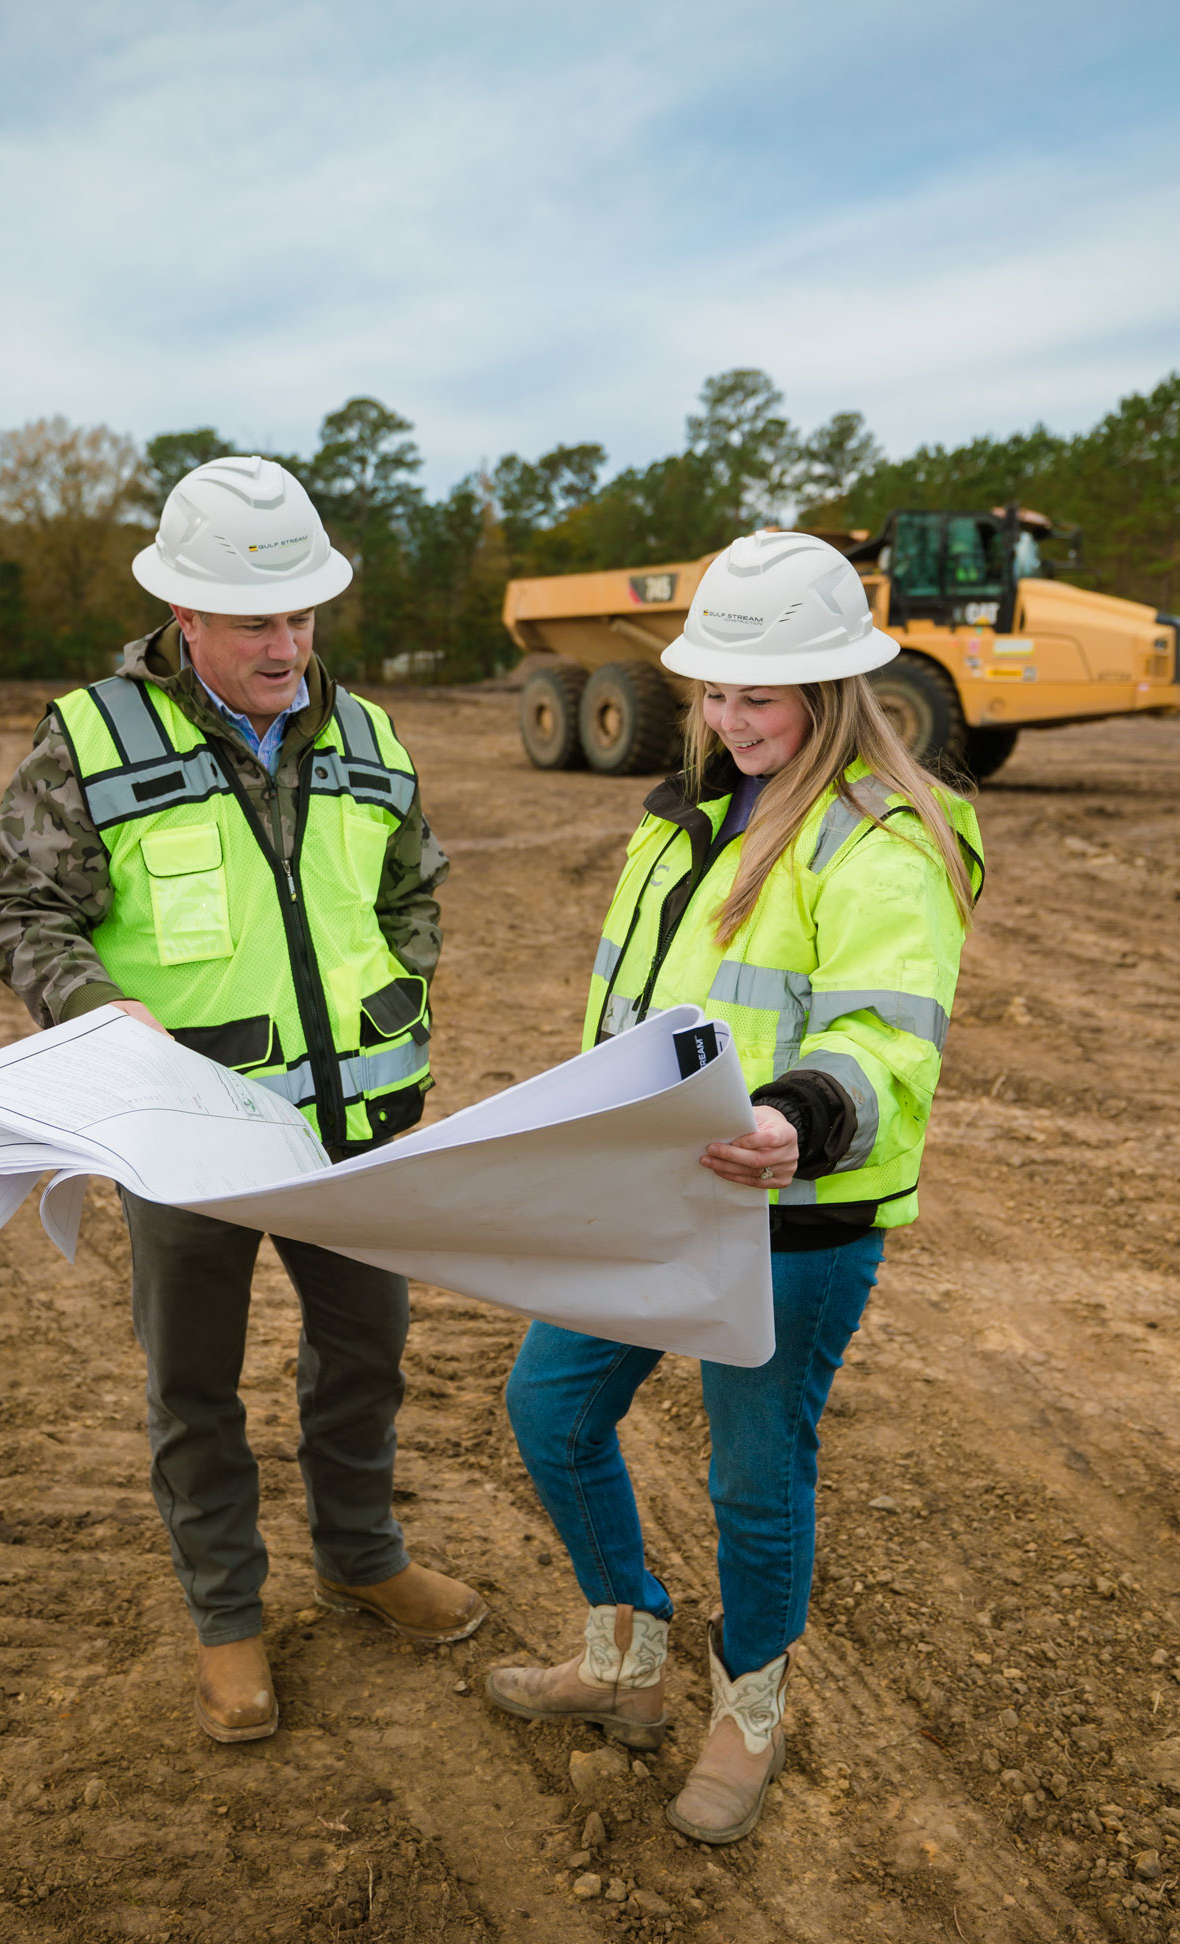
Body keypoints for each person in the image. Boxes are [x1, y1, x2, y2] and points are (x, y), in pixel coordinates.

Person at [0, 455, 485, 1745]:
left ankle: (361, 1556)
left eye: (304, 613)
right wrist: (98, 1014)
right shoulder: (88, 739)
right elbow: (21, 911)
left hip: (354, 1139)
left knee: (365, 1359)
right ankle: (227, 1621)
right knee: (194, 1386)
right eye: (257, 619)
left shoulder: (367, 735)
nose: (289, 643)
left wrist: (402, 1000)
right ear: (185, 616)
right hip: (188, 1141)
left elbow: (412, 893)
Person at [486, 529, 982, 1843]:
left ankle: (746, 1708)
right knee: (548, 1408)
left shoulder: (882, 841)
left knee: (754, 1477)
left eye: (757, 696)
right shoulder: (691, 814)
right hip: (648, 1194)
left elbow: (883, 1035)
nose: (728, 717)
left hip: (792, 1217)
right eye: (714, 690)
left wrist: (796, 1118)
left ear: (830, 691)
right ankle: (625, 1653)